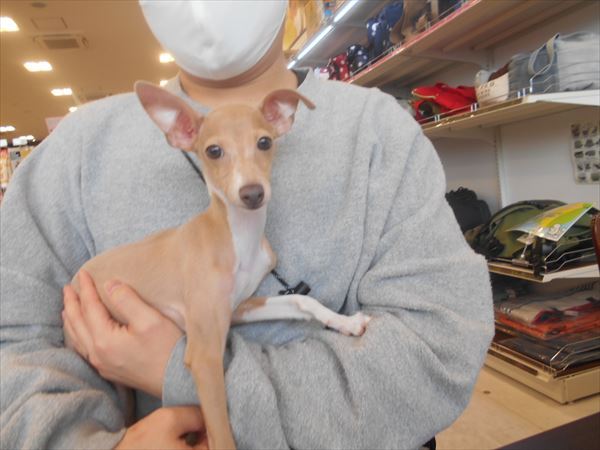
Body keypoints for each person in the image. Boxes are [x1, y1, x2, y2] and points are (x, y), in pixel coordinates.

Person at [0, 1, 494, 449]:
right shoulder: (76, 148)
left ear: (282, 120)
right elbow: (14, 346)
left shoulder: (379, 131)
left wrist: (178, 369)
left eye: (261, 145)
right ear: (180, 133)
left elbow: (440, 350)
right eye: (216, 152)